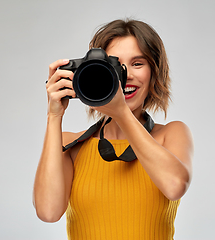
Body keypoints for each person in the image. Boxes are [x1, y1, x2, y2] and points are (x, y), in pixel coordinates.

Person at [33, 19, 193, 240]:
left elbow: (175, 186)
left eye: (138, 64)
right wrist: (54, 116)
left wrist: (121, 112)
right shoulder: (71, 144)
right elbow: (48, 212)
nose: (125, 76)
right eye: (116, 65)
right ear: (96, 72)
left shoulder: (171, 134)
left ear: (154, 72)